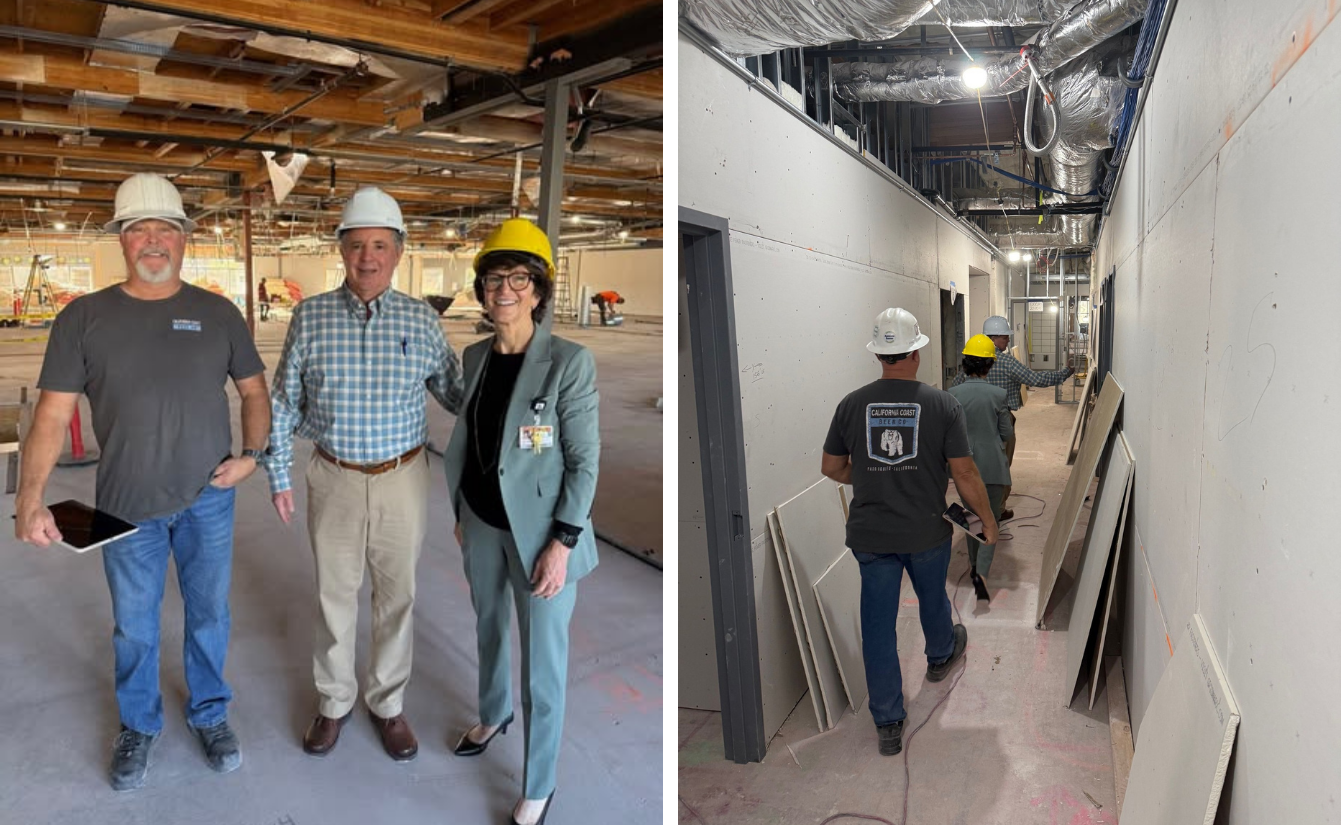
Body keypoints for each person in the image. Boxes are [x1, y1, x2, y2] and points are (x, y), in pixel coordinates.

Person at [15, 172, 271, 791]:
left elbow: (255, 392)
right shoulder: (83, 318)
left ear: (185, 239)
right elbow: (52, 413)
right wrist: (29, 498)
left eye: (165, 230)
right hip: (126, 507)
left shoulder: (218, 312)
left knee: (210, 614)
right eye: (139, 230)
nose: (153, 241)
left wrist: (252, 454)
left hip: (208, 500)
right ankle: (139, 725)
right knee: (135, 623)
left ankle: (210, 713)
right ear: (121, 241)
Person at [264, 186, 464, 762]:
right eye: (357, 245)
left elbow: (454, 393)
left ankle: (388, 704)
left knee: (396, 596)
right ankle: (333, 703)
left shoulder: (422, 320)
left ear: (398, 251)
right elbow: (284, 401)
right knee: (334, 596)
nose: (368, 257)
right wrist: (278, 473)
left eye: (379, 244)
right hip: (335, 477)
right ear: (342, 250)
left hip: (403, 476)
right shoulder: (311, 316)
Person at [442, 218, 600, 825]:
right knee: (487, 625)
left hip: (542, 538)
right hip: (481, 521)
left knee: (542, 660)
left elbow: (585, 464)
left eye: (517, 278)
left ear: (538, 289)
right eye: (492, 278)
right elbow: (476, 439)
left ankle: (539, 781)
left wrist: (562, 542)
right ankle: (492, 713)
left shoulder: (568, 363)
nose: (502, 289)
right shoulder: (476, 354)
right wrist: (462, 510)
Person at [820, 307, 997, 758]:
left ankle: (888, 722)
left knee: (878, 625)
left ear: (879, 354)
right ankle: (940, 656)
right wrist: (988, 520)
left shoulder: (850, 403)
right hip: (924, 531)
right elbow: (966, 473)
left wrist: (871, 478)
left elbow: (831, 467)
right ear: (915, 353)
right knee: (932, 596)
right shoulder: (942, 404)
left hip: (871, 535)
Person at [953, 315, 1074, 519]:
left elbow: (955, 389)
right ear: (993, 338)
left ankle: (975, 509)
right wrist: (1065, 373)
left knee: (973, 463)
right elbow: (1036, 379)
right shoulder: (1007, 362)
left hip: (970, 420)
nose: (1008, 341)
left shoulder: (967, 366)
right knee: (1000, 464)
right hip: (1000, 420)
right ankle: (995, 511)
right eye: (1005, 337)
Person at [947, 335, 1013, 601]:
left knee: (973, 517)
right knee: (991, 519)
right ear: (989, 366)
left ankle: (973, 566)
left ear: (965, 364)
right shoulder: (998, 395)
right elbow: (1006, 432)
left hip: (963, 467)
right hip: (993, 466)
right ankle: (982, 574)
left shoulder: (952, 395)